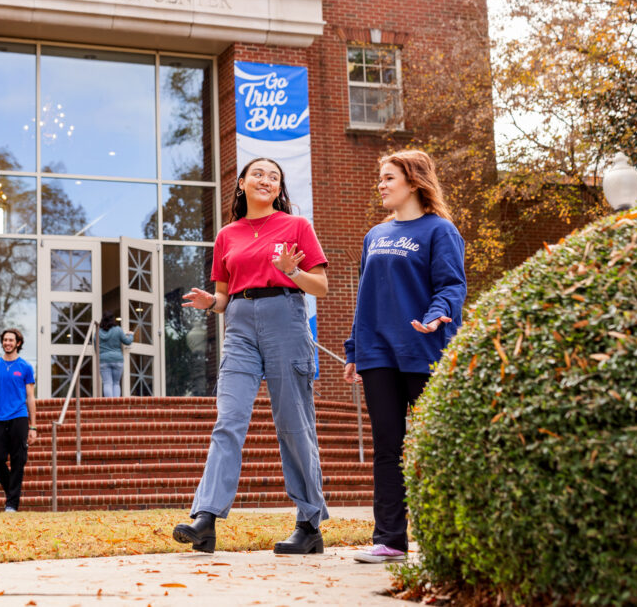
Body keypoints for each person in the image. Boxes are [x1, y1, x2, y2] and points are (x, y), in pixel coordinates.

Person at [172, 157, 330, 554]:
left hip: (285, 318)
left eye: (273, 177)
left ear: (279, 189)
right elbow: (225, 297)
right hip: (239, 326)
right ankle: (205, 519)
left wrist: (290, 271)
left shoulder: (296, 227)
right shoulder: (227, 234)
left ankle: (309, 524)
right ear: (241, 184)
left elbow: (322, 288)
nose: (266, 180)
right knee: (229, 419)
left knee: (294, 425)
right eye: (257, 173)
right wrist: (213, 302)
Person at [344, 150, 467, 563]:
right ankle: (390, 540)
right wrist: (353, 349)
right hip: (378, 354)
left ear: (413, 181)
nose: (380, 184)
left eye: (388, 177)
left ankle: (446, 535)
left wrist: (437, 317)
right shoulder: (374, 235)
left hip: (424, 350)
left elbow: (451, 286)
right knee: (387, 448)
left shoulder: (440, 231)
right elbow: (366, 298)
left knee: (434, 445)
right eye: (380, 178)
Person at [0, 328, 38, 512]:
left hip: (19, 417)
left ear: (18, 343)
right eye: (5, 340)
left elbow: (30, 397)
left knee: (18, 460)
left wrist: (33, 426)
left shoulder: (25, 367)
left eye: (11, 340)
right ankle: (12, 492)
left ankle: (12, 504)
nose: (7, 343)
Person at [97, 310, 134, 398]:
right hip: (117, 359)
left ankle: (109, 406)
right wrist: (131, 335)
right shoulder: (118, 330)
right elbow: (127, 342)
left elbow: (96, 347)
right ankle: (116, 405)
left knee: (107, 383)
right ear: (113, 320)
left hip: (103, 360)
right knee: (116, 383)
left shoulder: (98, 332)